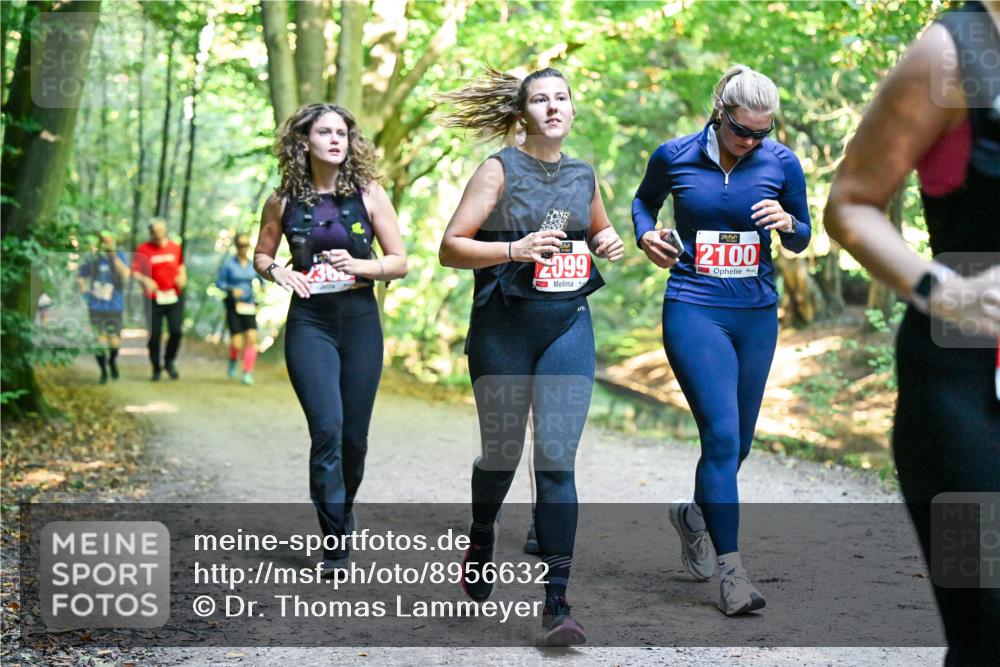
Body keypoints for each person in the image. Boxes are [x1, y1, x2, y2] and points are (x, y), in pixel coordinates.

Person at [825, 2, 999, 664]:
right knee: (987, 627)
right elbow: (850, 204)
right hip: (965, 393)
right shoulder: (952, 53)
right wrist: (942, 289)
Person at [438, 66, 625, 646]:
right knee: (502, 455)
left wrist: (606, 241)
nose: (553, 107)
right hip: (503, 331)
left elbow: (597, 230)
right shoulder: (498, 170)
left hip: (567, 324)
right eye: (541, 100)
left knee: (556, 461)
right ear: (522, 114)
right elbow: (450, 248)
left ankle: (557, 603)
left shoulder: (583, 174)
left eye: (561, 98)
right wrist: (513, 249)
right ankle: (482, 530)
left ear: (572, 109)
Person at [632, 65, 811, 616]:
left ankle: (693, 515)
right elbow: (643, 203)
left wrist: (787, 223)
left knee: (739, 445)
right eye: (742, 131)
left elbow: (803, 237)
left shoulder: (781, 163)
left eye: (762, 131)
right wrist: (646, 236)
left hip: (755, 313)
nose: (752, 141)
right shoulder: (674, 155)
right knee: (723, 436)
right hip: (694, 306)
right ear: (720, 112)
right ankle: (733, 575)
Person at [253, 103, 408, 574]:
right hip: (310, 324)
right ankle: (335, 541)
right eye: (325, 132)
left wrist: (360, 265)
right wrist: (278, 272)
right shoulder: (282, 200)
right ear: (305, 141)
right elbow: (262, 254)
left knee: (354, 437)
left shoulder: (370, 194)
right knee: (326, 429)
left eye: (342, 132)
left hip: (360, 321)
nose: (336, 139)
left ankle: (345, 504)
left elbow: (399, 261)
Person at [132, 219, 186, 381]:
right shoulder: (143, 249)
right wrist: (145, 280)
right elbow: (135, 272)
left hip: (173, 296)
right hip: (152, 298)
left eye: (161, 231)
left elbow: (181, 266)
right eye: (155, 232)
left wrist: (183, 278)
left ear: (165, 230)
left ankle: (169, 361)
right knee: (155, 335)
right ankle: (156, 367)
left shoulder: (175, 247)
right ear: (150, 233)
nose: (158, 234)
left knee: (176, 331)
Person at [77, 231, 130, 383]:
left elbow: (126, 274)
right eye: (104, 241)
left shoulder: (119, 255)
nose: (106, 244)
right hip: (96, 306)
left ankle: (112, 361)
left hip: (115, 306)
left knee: (114, 341)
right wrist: (85, 294)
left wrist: (113, 256)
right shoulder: (93, 258)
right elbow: (81, 277)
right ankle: (103, 372)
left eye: (109, 241)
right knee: (99, 340)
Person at [216, 232, 263, 385]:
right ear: (236, 246)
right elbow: (219, 283)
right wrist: (231, 289)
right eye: (241, 245)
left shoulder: (252, 264)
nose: (244, 248)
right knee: (237, 343)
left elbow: (262, 278)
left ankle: (247, 373)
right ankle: (233, 359)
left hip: (249, 305)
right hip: (233, 306)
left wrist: (263, 287)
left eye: (246, 245)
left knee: (251, 338)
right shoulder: (229, 264)